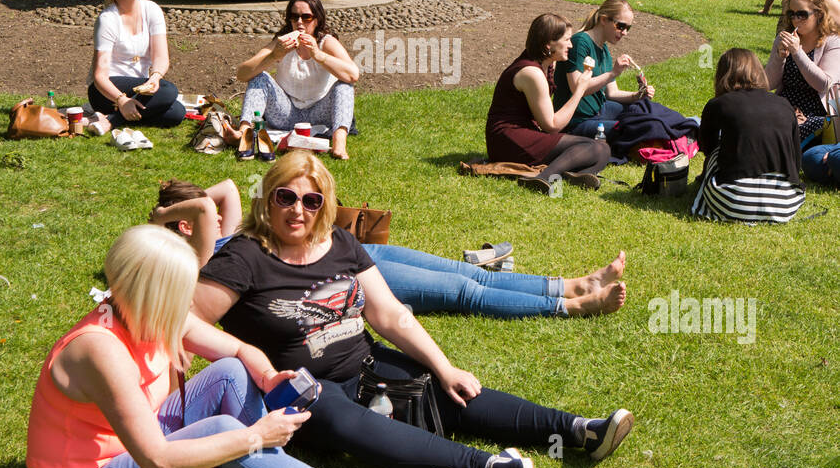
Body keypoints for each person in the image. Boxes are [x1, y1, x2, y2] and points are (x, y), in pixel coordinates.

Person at [191, 151, 634, 468]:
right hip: (301, 387)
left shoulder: (340, 243)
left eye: (311, 200)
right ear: (267, 198)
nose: (297, 211)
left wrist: (444, 367)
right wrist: (244, 355)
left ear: (325, 205)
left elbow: (388, 314)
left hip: (363, 365)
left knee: (451, 392)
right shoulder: (245, 256)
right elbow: (184, 318)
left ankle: (579, 429)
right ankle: (487, 467)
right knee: (347, 424)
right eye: (285, 197)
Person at [27, 224, 447, 468]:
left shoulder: (142, 312)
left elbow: (239, 350)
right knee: (229, 431)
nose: (188, 302)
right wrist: (256, 436)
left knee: (231, 373)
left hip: (135, 448)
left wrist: (266, 376)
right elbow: (156, 461)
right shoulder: (100, 349)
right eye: (180, 292)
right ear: (152, 292)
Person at [154, 178, 628, 319]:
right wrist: (162, 221)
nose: (218, 215)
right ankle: (569, 307)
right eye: (203, 215)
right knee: (466, 294)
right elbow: (204, 208)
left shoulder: (225, 229)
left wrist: (187, 207)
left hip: (354, 250)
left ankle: (570, 283)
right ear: (184, 223)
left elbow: (229, 188)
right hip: (345, 276)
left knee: (474, 275)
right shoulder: (200, 258)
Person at [486, 12, 613, 189]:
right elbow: (551, 125)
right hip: (508, 139)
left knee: (603, 148)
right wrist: (580, 90)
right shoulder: (532, 73)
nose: (571, 44)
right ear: (548, 44)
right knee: (593, 147)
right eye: (567, 40)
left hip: (527, 132)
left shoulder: (547, 63)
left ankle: (571, 175)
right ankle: (544, 177)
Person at [233, 0, 359, 161]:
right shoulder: (282, 42)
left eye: (306, 17)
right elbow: (242, 74)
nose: (299, 22)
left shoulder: (326, 42)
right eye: (294, 17)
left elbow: (352, 74)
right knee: (259, 77)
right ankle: (244, 134)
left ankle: (339, 143)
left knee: (344, 86)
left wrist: (318, 55)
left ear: (317, 20)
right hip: (286, 112)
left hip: (319, 112)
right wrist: (273, 56)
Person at [691, 49, 804, 223]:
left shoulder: (719, 104)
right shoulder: (784, 104)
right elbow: (795, 157)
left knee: (717, 152)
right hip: (784, 204)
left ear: (722, 75)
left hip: (731, 203)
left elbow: (707, 146)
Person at [87, 0, 185, 129]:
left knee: (177, 113)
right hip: (106, 91)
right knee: (169, 91)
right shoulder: (107, 20)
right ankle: (119, 114)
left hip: (140, 88)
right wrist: (122, 100)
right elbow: (100, 76)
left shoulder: (152, 10)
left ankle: (111, 120)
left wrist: (155, 78)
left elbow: (161, 57)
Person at [552, 0, 653, 138]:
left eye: (628, 28)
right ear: (604, 20)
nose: (625, 32)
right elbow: (577, 88)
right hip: (578, 121)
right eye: (621, 26)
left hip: (599, 111)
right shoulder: (580, 42)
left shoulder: (603, 47)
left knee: (645, 110)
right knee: (639, 127)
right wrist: (613, 73)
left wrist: (637, 96)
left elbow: (612, 93)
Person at [765, 0, 840, 149]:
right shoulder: (784, 38)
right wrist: (780, 58)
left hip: (816, 113)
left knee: (782, 133)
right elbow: (769, 84)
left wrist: (797, 52)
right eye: (791, 14)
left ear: (819, 14)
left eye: (802, 14)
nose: (795, 19)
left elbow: (824, 84)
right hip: (784, 106)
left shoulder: (833, 41)